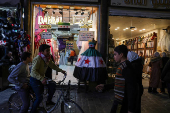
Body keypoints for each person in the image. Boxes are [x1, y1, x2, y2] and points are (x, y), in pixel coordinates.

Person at [96, 45, 137, 113]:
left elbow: (131, 88)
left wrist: (131, 109)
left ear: (121, 54)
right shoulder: (122, 66)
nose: (114, 57)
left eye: (115, 54)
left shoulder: (125, 67)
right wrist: (105, 86)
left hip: (121, 101)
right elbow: (119, 82)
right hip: (119, 99)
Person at [30, 44, 66, 113]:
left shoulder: (47, 58)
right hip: (35, 79)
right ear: (42, 52)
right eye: (47, 51)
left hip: (41, 78)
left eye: (49, 50)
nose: (49, 52)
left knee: (53, 84)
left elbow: (53, 66)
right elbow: (33, 72)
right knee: (39, 98)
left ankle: (48, 101)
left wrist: (61, 71)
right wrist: (41, 79)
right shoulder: (38, 59)